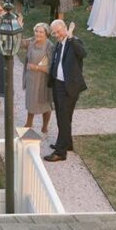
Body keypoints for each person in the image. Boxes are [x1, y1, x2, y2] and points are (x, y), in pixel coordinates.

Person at [45, 19, 86, 162]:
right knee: (63, 117)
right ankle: (66, 143)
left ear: (64, 28)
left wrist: (70, 36)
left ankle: (60, 152)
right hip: (58, 85)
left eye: (58, 31)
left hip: (70, 87)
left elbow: (83, 54)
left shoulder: (74, 41)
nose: (56, 34)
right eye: (54, 33)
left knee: (63, 118)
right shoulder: (58, 44)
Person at [21, 23, 54, 133]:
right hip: (31, 78)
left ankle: (45, 126)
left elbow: (52, 68)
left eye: (41, 32)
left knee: (45, 104)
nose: (38, 34)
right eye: (36, 31)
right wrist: (19, 27)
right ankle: (29, 123)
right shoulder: (32, 41)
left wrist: (37, 67)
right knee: (31, 101)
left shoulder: (50, 46)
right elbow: (19, 43)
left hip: (43, 80)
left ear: (46, 34)